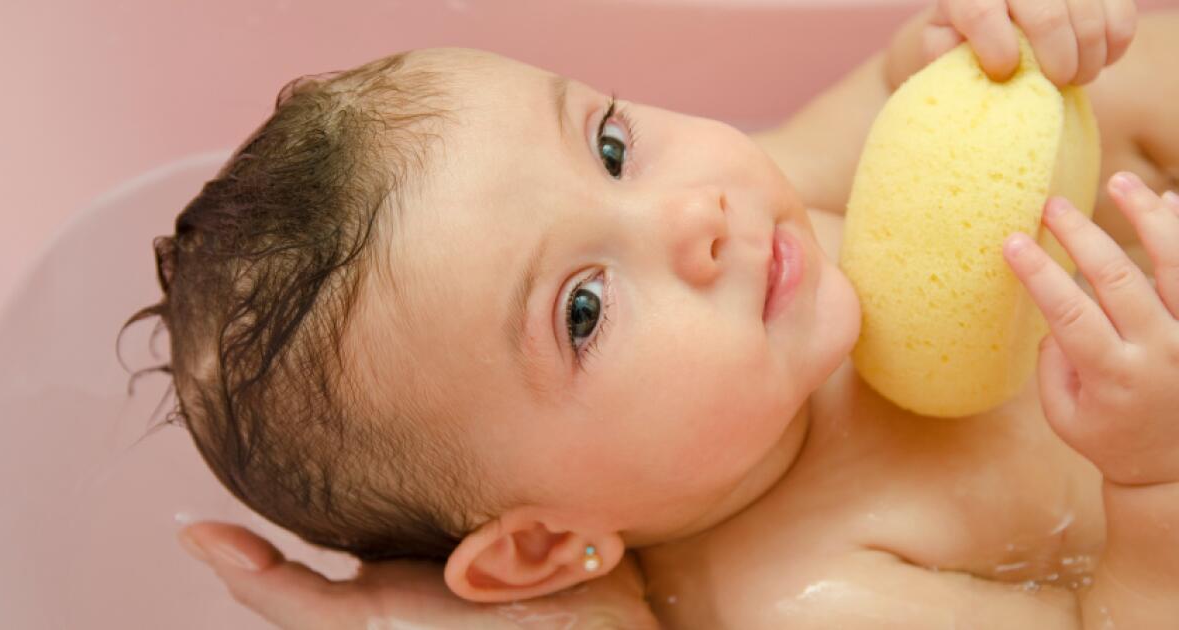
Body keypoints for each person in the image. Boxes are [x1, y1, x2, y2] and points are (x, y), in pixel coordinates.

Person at [147, 0, 1179, 626]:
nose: (696, 216)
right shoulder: (813, 594)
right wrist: (1150, 476)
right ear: (546, 548)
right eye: (584, 310)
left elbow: (894, 83)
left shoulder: (779, 211)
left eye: (609, 148)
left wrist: (969, 44)